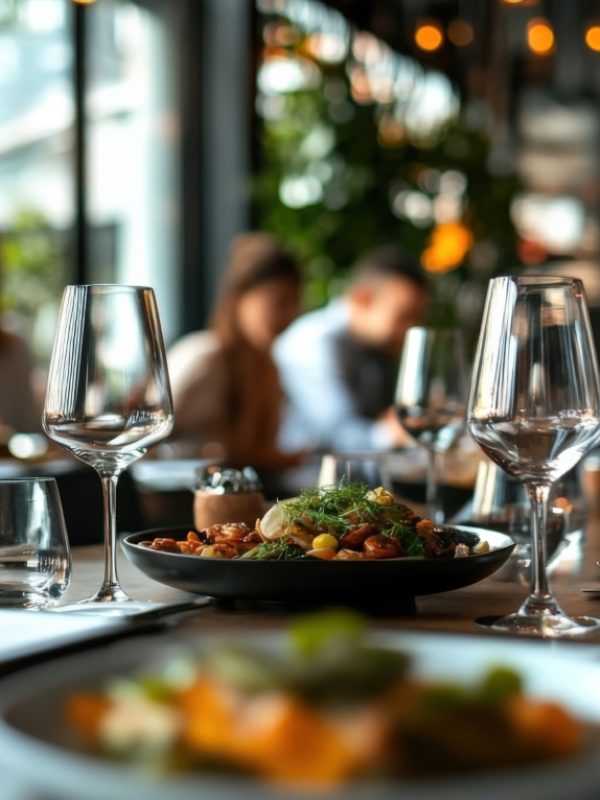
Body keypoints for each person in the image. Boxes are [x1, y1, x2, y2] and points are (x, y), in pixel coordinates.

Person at [167, 232, 303, 468]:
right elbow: (147, 441)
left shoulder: (267, 366)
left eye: (294, 303)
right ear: (239, 297)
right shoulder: (205, 358)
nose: (288, 315)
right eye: (278, 302)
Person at [274, 245, 427, 452]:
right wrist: (395, 433)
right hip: (306, 481)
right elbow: (336, 433)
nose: (410, 329)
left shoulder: (375, 349)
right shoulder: (311, 342)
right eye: (403, 316)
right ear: (362, 298)